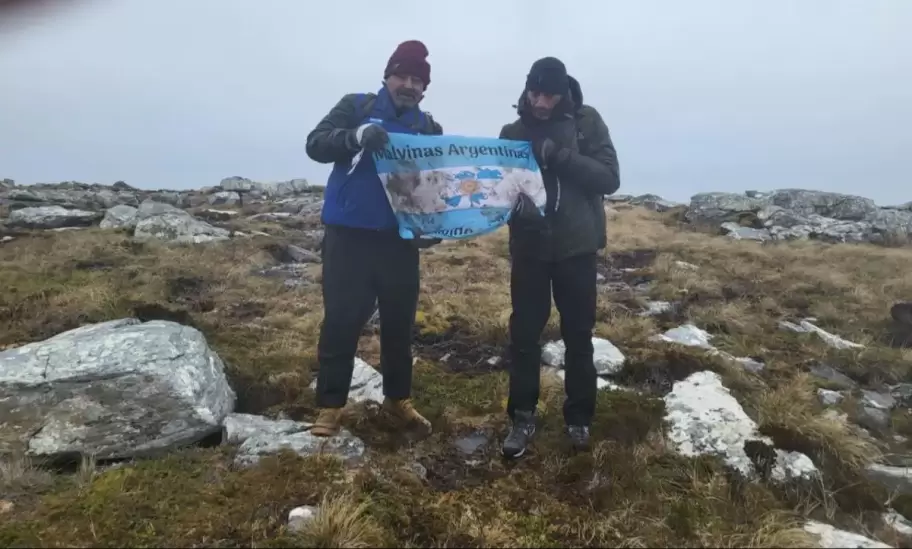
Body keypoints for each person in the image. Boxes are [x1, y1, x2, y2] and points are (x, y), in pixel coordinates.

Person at [304, 40, 442, 437]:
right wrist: (355, 137)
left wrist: (432, 228)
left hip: (399, 242)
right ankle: (330, 407)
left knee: (399, 325)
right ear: (387, 76)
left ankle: (398, 401)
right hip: (349, 238)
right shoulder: (356, 107)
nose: (409, 84)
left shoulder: (428, 127)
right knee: (342, 322)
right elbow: (315, 144)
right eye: (403, 75)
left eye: (418, 79)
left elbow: (435, 185)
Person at [498, 57, 621, 458]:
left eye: (549, 94)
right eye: (535, 93)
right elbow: (498, 190)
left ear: (563, 92)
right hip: (530, 251)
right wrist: (513, 210)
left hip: (577, 248)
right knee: (524, 337)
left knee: (578, 336)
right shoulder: (512, 132)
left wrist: (560, 156)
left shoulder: (587, 123)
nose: (541, 102)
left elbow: (609, 178)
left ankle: (579, 419)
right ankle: (521, 417)